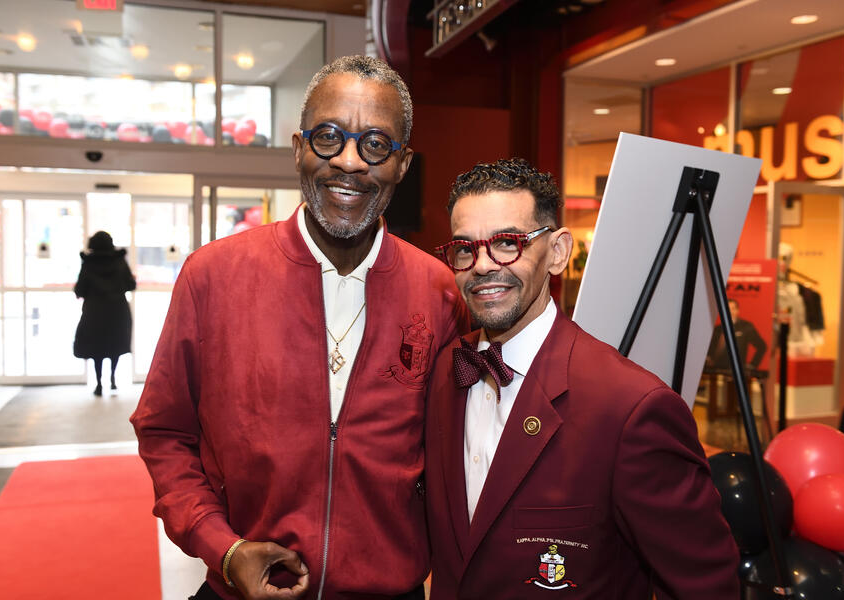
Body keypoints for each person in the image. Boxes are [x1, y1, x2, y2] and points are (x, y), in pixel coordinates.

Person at [130, 55, 468, 600]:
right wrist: (224, 546)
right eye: (329, 137)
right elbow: (165, 433)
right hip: (239, 588)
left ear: (402, 164)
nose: (351, 163)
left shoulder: (440, 290)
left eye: (376, 144)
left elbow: (460, 450)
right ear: (298, 149)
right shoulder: (213, 276)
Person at [426, 158, 739, 599]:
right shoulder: (443, 373)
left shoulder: (632, 407)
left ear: (556, 252)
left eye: (507, 244)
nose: (481, 266)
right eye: (465, 248)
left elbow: (705, 586)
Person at [73, 230, 136, 396]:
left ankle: (99, 383)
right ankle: (113, 379)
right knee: (114, 346)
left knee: (97, 349)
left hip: (94, 311)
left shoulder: (88, 263)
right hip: (117, 310)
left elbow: (80, 289)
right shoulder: (119, 261)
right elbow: (130, 284)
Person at [706, 298, 768, 373]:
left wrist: (753, 365)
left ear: (738, 310)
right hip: (716, 370)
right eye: (727, 308)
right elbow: (711, 349)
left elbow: (762, 346)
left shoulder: (746, 327)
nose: (730, 311)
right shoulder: (717, 329)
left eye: (733, 308)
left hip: (736, 370)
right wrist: (708, 359)